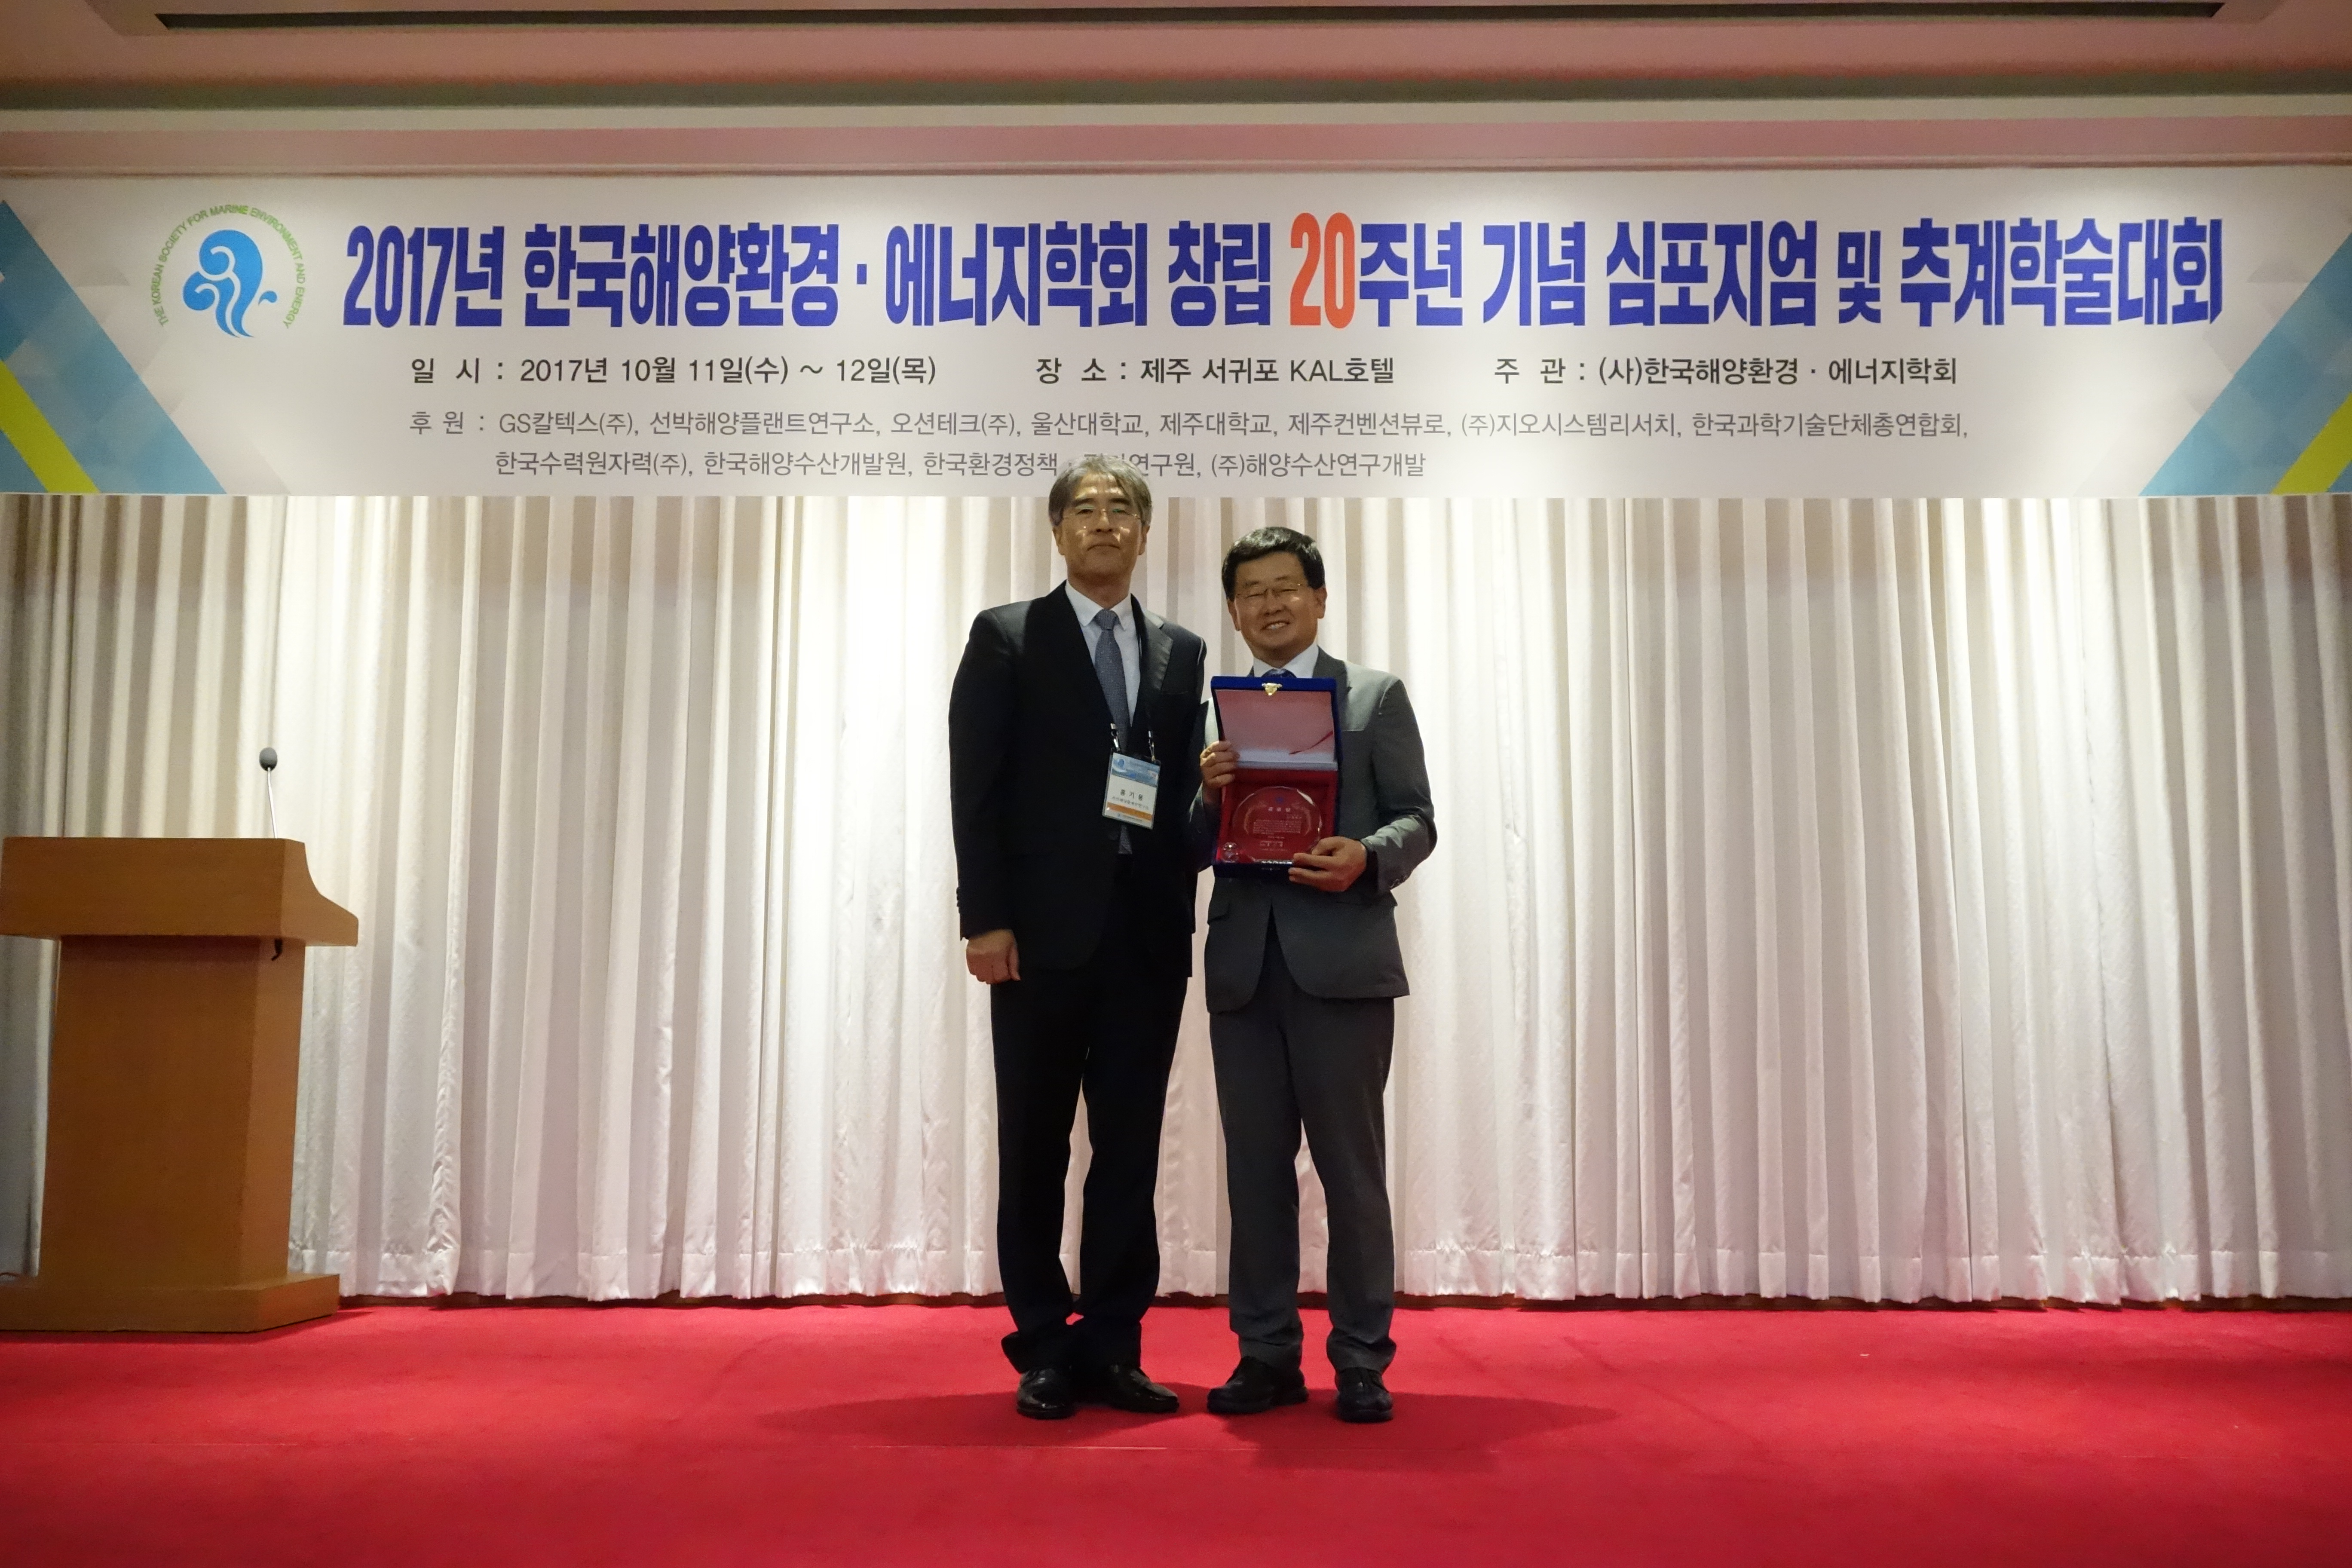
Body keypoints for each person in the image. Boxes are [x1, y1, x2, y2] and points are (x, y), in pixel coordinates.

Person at [947, 457, 1208, 1421]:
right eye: (1085, 510)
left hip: (1146, 940)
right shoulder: (1009, 635)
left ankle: (1114, 1345)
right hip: (1037, 939)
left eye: (1121, 509)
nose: (1104, 522)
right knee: (1035, 1149)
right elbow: (975, 788)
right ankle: (1044, 1347)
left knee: (1130, 1153)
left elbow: (1176, 795)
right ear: (1058, 533)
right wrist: (985, 918)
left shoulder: (1181, 650)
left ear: (1145, 532)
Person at [1192, 525, 1436, 1425]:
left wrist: (1365, 856)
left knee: (1352, 1173)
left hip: (1342, 964)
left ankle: (1362, 1358)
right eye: (1252, 592)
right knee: (1255, 1175)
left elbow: (1417, 819)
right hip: (1244, 971)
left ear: (1320, 598)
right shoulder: (1211, 714)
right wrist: (1205, 794)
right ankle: (1265, 1355)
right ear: (1234, 611)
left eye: (1286, 587)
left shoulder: (1374, 695)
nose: (1270, 604)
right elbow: (1188, 844)